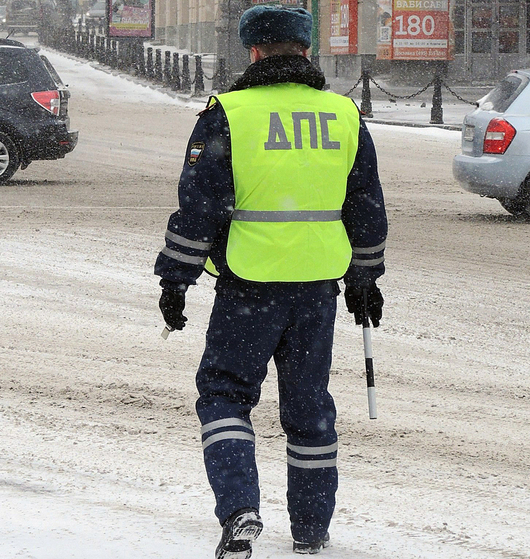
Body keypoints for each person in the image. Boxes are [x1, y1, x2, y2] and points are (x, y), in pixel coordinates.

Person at [154, 5, 387, 557]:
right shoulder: (343, 114)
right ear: (306, 50)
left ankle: (240, 511)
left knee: (225, 395)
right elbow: (366, 204)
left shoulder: (228, 114)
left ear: (252, 51)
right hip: (318, 285)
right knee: (308, 409)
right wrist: (366, 277)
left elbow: (199, 205)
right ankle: (310, 530)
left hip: (249, 285)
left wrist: (176, 279)